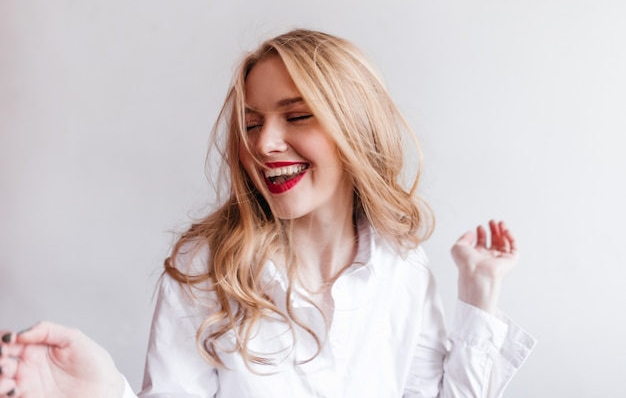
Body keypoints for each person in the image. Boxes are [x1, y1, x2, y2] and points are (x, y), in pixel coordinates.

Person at [0, 29, 535, 398]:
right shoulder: (206, 266)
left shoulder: (403, 265)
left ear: (355, 129)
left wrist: (478, 293)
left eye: (296, 115)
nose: (265, 143)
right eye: (252, 123)